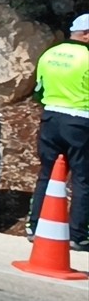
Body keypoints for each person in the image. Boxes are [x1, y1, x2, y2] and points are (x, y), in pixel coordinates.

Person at [28, 13, 89, 251]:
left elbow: (38, 91)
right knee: (83, 180)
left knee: (47, 175)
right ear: (86, 34)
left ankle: (35, 227)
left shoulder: (50, 53)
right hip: (81, 121)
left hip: (51, 118)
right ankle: (77, 234)